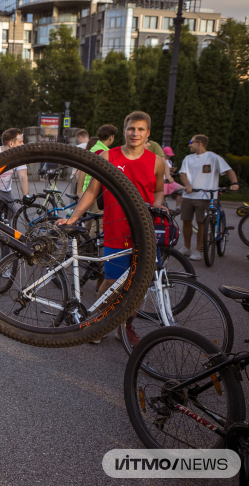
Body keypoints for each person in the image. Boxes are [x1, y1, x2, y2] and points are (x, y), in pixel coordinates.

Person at [58, 111, 165, 347]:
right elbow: (93, 190)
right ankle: (100, 324)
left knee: (140, 284)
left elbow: (158, 190)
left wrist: (157, 208)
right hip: (117, 229)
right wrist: (74, 217)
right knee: (111, 281)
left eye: (140, 129)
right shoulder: (108, 156)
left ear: (148, 133)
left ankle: (125, 328)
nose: (135, 133)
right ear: (124, 130)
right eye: (131, 129)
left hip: (144, 232)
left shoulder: (157, 161)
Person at [178, 134, 239, 260]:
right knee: (186, 221)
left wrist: (234, 183)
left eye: (191, 142)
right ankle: (186, 247)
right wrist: (187, 185)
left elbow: (229, 170)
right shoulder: (188, 158)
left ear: (199, 143)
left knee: (202, 224)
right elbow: (182, 174)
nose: (189, 144)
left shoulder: (213, 157)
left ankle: (197, 251)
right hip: (189, 195)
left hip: (205, 196)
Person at [76, 124, 117, 196]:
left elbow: (83, 169)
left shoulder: (94, 148)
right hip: (94, 193)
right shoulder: (103, 152)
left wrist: (79, 191)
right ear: (111, 137)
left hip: (87, 190)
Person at [162, 146, 184, 211]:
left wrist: (172, 171)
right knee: (160, 198)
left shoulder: (169, 161)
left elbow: (169, 173)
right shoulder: (159, 160)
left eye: (170, 155)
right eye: (167, 155)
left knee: (182, 190)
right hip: (162, 182)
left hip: (169, 182)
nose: (169, 156)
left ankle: (178, 207)